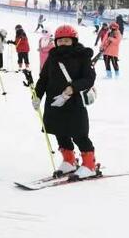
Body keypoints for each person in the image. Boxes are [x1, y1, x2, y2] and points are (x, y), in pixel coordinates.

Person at [32, 25, 98, 178]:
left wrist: (73, 88)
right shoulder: (53, 57)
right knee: (59, 131)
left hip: (73, 102)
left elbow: (89, 78)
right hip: (54, 102)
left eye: (67, 41)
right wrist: (36, 96)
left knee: (79, 133)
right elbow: (43, 79)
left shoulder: (82, 56)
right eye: (60, 41)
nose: (63, 44)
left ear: (73, 41)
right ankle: (69, 161)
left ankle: (89, 164)